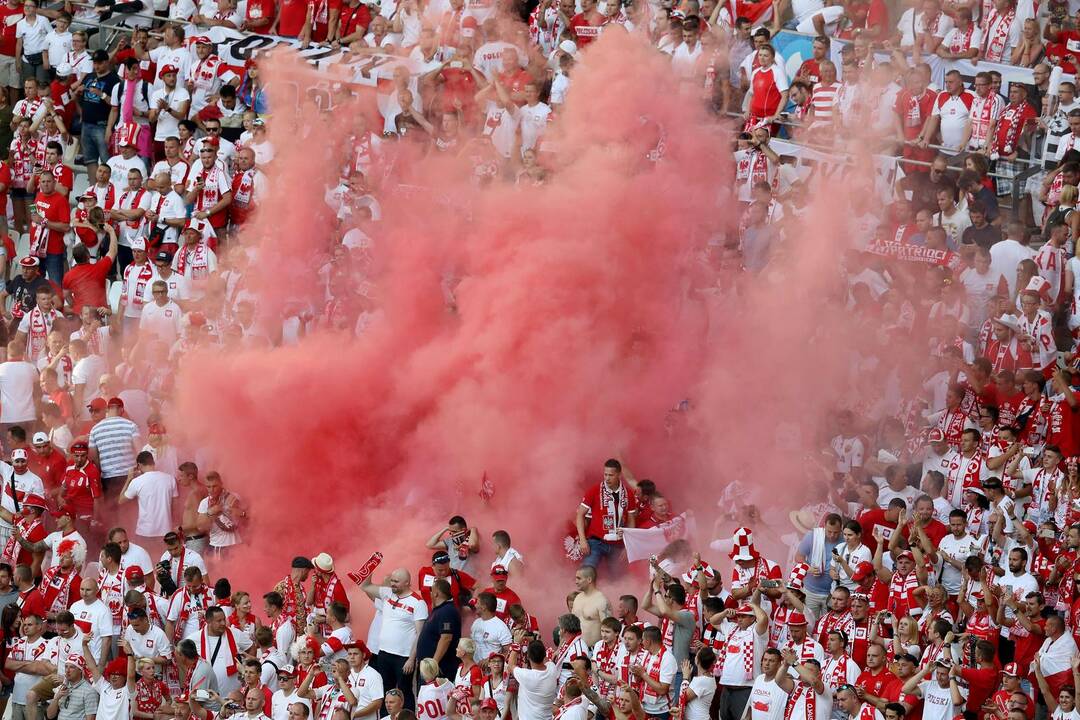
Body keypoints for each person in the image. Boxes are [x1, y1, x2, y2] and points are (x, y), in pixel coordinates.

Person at [359, 568, 427, 710]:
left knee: (404, 691)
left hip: (403, 657)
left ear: (407, 583)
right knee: (384, 691)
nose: (392, 584)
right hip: (383, 653)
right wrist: (372, 566)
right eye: (392, 581)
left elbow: (420, 634)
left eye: (396, 581)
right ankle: (385, 717)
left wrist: (411, 659)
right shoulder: (387, 593)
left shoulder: (418, 602)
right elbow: (364, 586)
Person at [118, 450, 177, 540]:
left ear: (139, 465)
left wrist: (128, 479)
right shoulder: (170, 479)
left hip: (145, 531)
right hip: (166, 530)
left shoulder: (137, 481)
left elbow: (120, 500)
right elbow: (175, 505)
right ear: (153, 463)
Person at [510, 640, 557, 720]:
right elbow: (545, 660)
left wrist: (517, 643)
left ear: (528, 656)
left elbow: (510, 666)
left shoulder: (527, 676)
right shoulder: (552, 668)